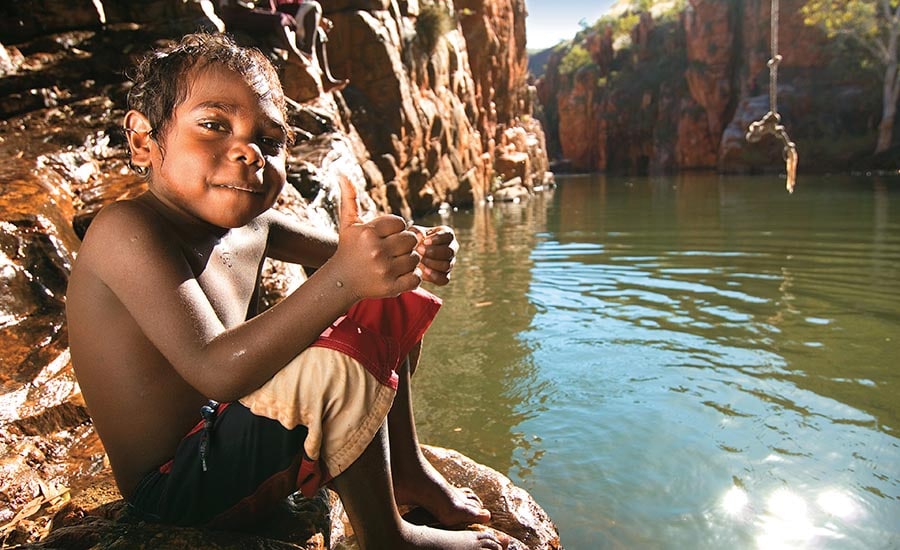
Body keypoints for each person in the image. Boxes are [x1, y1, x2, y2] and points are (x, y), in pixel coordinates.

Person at [66, 32, 506, 549]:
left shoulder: (255, 226)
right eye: (213, 125)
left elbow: (358, 255)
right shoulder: (127, 229)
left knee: (385, 292)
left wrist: (415, 246)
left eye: (270, 142)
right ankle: (388, 539)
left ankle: (406, 470)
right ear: (143, 140)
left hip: (230, 430)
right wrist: (347, 276)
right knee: (345, 352)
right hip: (178, 483)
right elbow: (216, 369)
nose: (248, 152)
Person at [218, 0, 348, 92]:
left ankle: (326, 78)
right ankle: (294, 53)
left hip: (265, 11)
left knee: (317, 32)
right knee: (281, 19)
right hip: (238, 14)